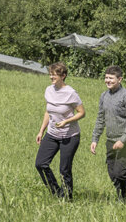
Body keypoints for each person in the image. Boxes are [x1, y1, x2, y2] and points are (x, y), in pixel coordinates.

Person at [88, 65, 126, 205]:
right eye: (106, 78)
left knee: (121, 172)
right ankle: (123, 198)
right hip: (111, 140)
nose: (107, 80)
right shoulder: (104, 96)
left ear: (119, 79)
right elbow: (100, 118)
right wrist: (95, 139)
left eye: (111, 78)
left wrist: (123, 140)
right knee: (113, 174)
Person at [34, 62, 84, 200]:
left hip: (69, 136)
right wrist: (41, 131)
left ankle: (67, 198)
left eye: (54, 74)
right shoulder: (49, 90)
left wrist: (66, 121)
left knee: (64, 169)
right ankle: (56, 192)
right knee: (40, 164)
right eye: (50, 74)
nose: (51, 77)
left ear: (63, 76)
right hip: (52, 134)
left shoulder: (71, 93)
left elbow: (82, 113)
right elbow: (48, 111)